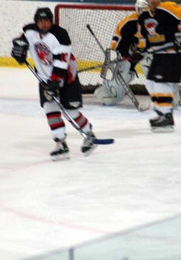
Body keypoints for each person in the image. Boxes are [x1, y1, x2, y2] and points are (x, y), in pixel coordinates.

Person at [11, 7, 97, 160]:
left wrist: (54, 82)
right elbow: (21, 41)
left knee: (70, 112)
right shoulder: (29, 30)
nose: (44, 24)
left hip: (66, 77)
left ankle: (89, 134)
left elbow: (61, 62)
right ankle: (60, 143)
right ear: (36, 22)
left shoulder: (60, 36)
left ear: (51, 21)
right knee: (50, 109)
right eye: (40, 21)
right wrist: (19, 51)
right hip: (45, 79)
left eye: (47, 21)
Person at [136, 0, 181, 131]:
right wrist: (140, 51)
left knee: (161, 84)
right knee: (150, 83)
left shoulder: (168, 7)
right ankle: (162, 112)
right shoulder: (143, 17)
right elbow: (143, 38)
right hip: (158, 54)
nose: (152, 2)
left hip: (173, 53)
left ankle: (167, 116)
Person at [94, 11, 152, 106]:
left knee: (150, 65)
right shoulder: (128, 23)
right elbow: (116, 40)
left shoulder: (159, 21)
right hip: (126, 56)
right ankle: (107, 88)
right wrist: (112, 54)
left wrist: (141, 52)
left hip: (148, 54)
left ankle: (167, 97)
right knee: (112, 98)